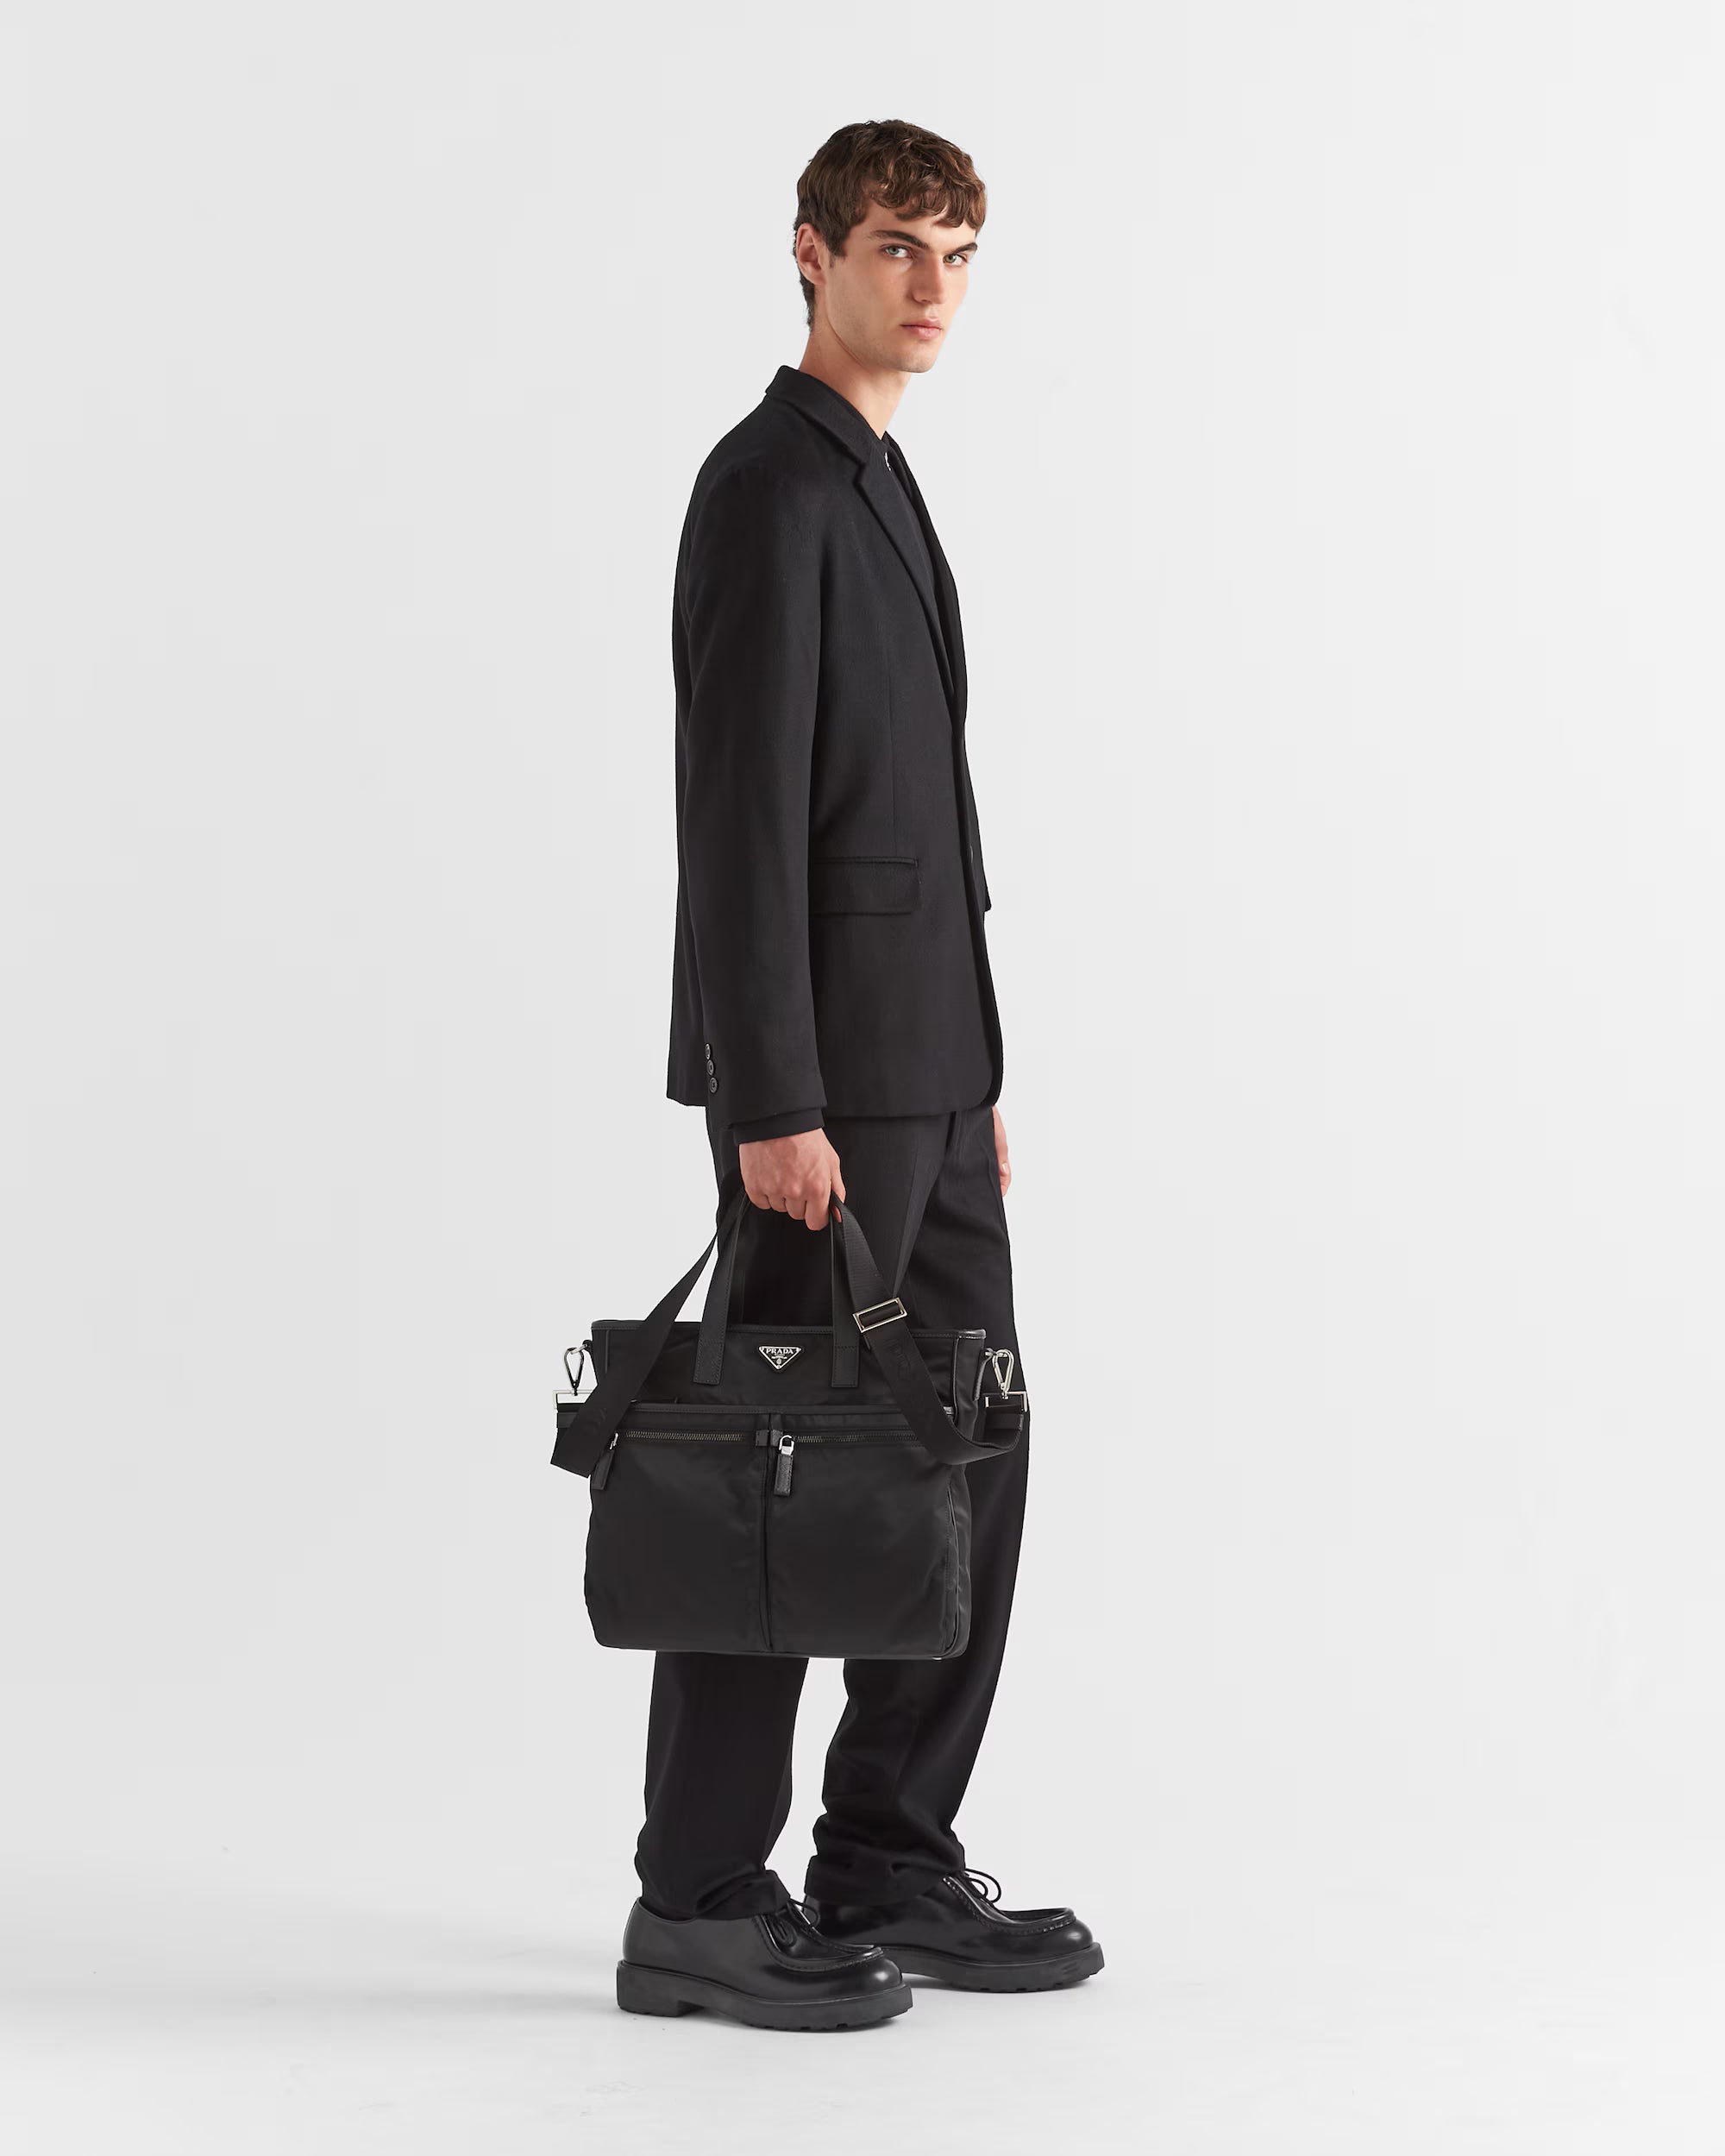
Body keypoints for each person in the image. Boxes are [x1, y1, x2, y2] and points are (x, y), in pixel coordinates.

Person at [617, 117, 1102, 2030]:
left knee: (968, 1434)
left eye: (957, 250)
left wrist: (968, 1062)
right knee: (781, 1462)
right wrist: (772, 1101)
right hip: (818, 1092)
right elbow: (737, 821)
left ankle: (887, 1840)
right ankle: (700, 1894)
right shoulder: (768, 486)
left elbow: (914, 810)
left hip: (925, 1072)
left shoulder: (878, 480)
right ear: (808, 254)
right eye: (896, 243)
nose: (929, 284)